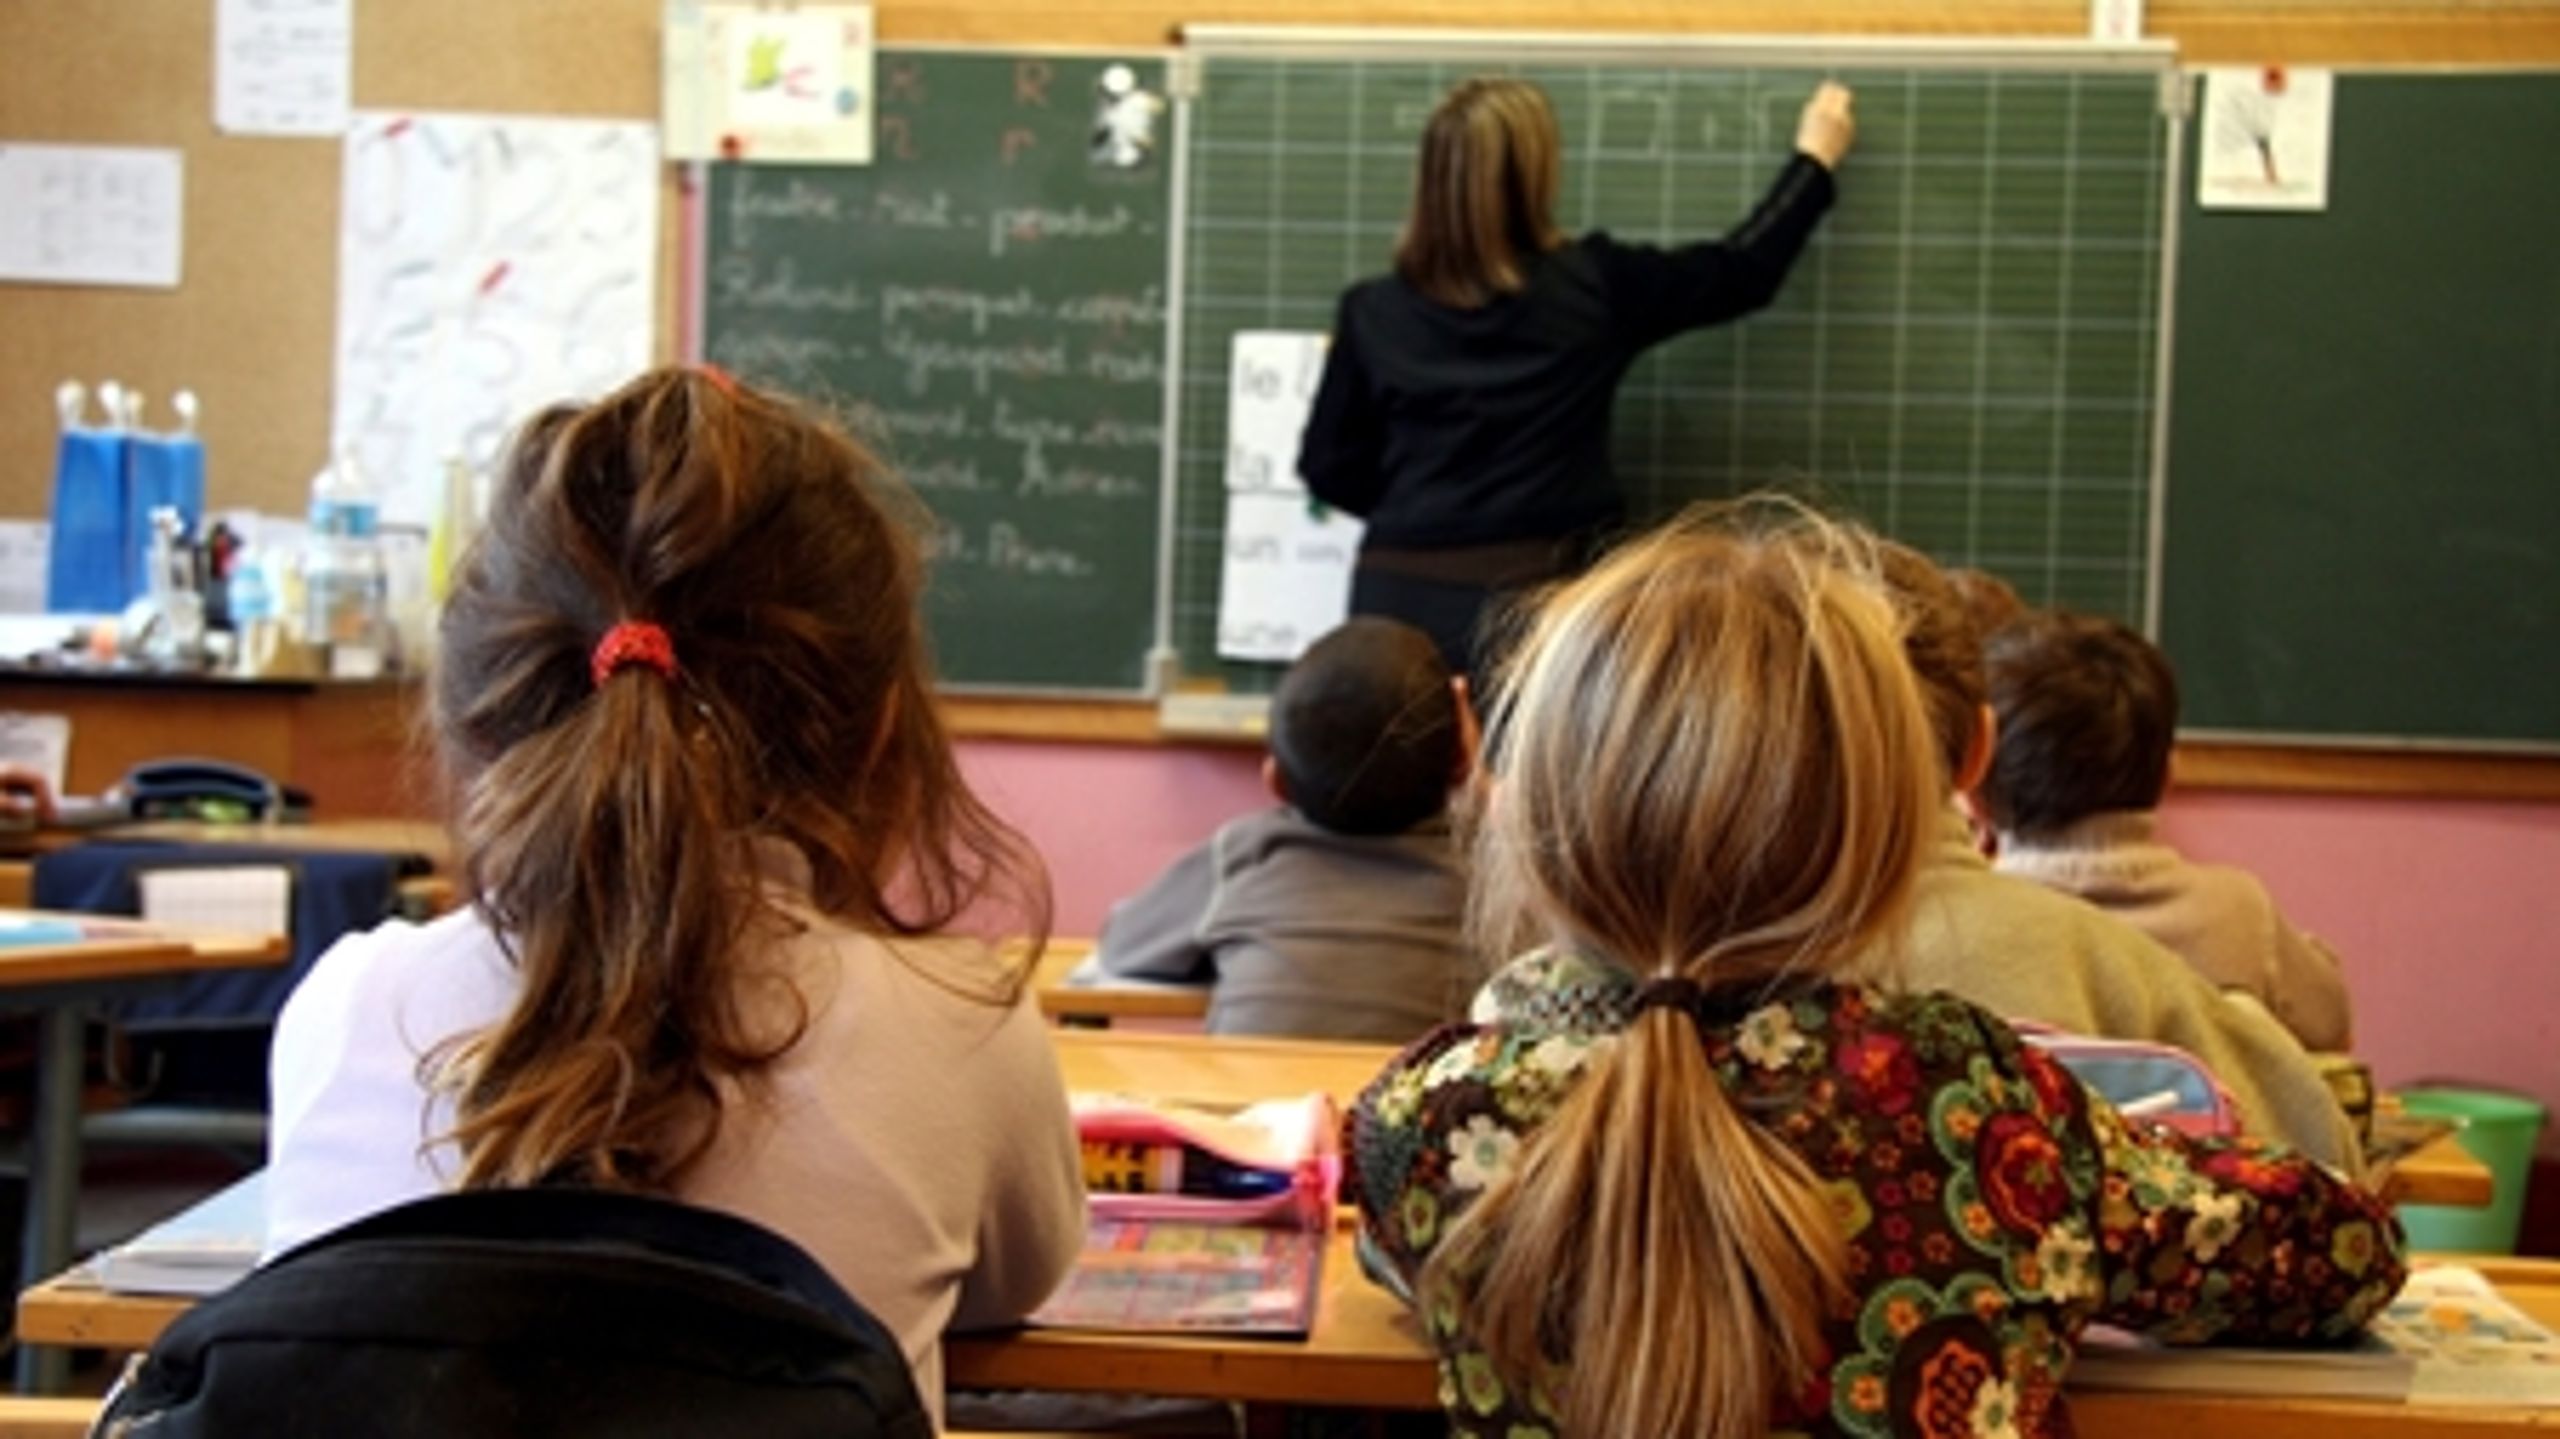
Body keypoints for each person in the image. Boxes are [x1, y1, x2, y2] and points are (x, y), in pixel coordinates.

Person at [1348, 505, 2405, 1439]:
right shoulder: (1972, 1101)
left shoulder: (1426, 1123)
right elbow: (2345, 1249)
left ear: (1534, 810)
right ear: (1884, 816)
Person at [264, 367, 1084, 1424]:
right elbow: (1016, 1283)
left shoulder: (348, 1004)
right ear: (882, 729)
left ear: (475, 714)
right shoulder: (964, 1026)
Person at [1296, 76, 1856, 683]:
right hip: (1542, 600)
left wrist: (1426, 502)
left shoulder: (1373, 311)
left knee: (1394, 777)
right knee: (1541, 778)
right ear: (1534, 175)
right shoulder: (1594, 289)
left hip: (1396, 602)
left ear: (1428, 177)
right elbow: (1743, 270)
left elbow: (1327, 465)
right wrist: (1813, 162)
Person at [1983, 609, 2354, 1051]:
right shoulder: (2238, 913)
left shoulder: (1964, 927)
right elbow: (2332, 1026)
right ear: (2167, 774)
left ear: (1973, 782)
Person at [1092, 616, 1473, 1041]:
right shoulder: (1494, 875)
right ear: (1463, 759)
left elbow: (1122, 947)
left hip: (1254, 1104)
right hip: (1417, 1106)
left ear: (1274, 779)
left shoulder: (1247, 853)